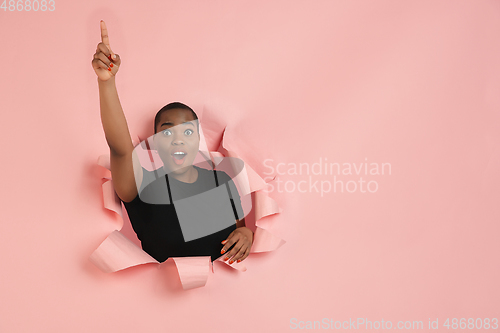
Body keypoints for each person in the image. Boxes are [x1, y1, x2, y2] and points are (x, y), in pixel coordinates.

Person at [91, 20, 253, 264]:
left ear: (197, 139)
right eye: (167, 133)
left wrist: (246, 233)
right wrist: (107, 83)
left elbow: (240, 232)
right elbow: (120, 148)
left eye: (187, 133)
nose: (178, 140)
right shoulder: (142, 185)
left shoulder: (222, 180)